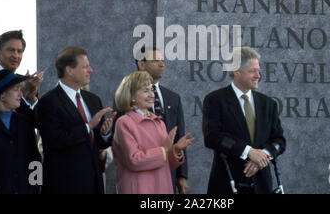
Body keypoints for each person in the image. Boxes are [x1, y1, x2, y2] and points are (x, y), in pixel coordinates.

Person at [202, 47, 286, 194]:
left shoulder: (268, 104)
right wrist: (248, 151)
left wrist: (263, 155)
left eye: (258, 70)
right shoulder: (215, 100)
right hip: (227, 185)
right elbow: (212, 137)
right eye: (252, 71)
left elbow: (279, 141)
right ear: (236, 71)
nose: (258, 75)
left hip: (262, 186)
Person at [35, 47, 115, 194]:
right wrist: (88, 126)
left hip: (94, 183)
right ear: (69, 70)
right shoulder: (48, 102)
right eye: (85, 66)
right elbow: (55, 141)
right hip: (64, 185)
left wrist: (104, 133)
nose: (90, 70)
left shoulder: (93, 100)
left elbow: (100, 143)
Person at [113, 71, 194, 194]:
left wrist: (176, 150)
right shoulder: (124, 122)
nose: (151, 95)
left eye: (152, 90)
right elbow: (134, 160)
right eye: (145, 91)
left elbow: (165, 163)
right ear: (131, 96)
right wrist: (164, 149)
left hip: (163, 187)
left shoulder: (159, 122)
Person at [135, 46, 189, 194]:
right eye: (155, 60)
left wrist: (182, 175)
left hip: (169, 172)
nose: (162, 64)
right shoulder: (129, 96)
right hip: (141, 174)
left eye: (162, 60)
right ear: (141, 64)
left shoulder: (173, 97)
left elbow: (179, 137)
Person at [0, 30, 44, 121]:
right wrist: (23, 95)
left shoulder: (26, 82)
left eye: (19, 51)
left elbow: (38, 122)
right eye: (11, 50)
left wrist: (31, 98)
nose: (15, 56)